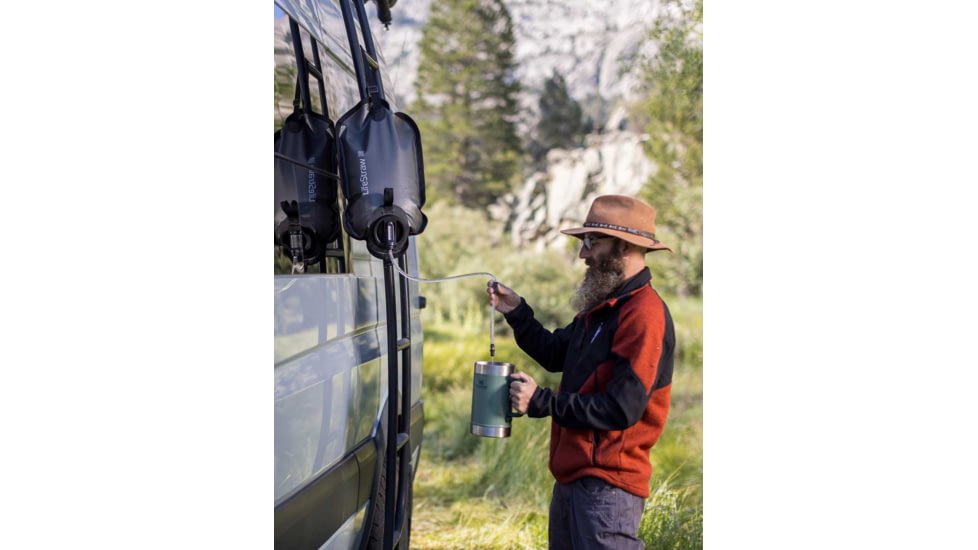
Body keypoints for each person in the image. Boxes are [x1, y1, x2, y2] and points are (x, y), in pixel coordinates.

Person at [487, 194, 675, 550]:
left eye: (592, 242)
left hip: (609, 488)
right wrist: (517, 312)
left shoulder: (643, 314)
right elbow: (555, 354)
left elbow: (621, 409)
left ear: (624, 246)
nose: (583, 254)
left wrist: (542, 401)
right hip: (574, 479)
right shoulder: (602, 309)